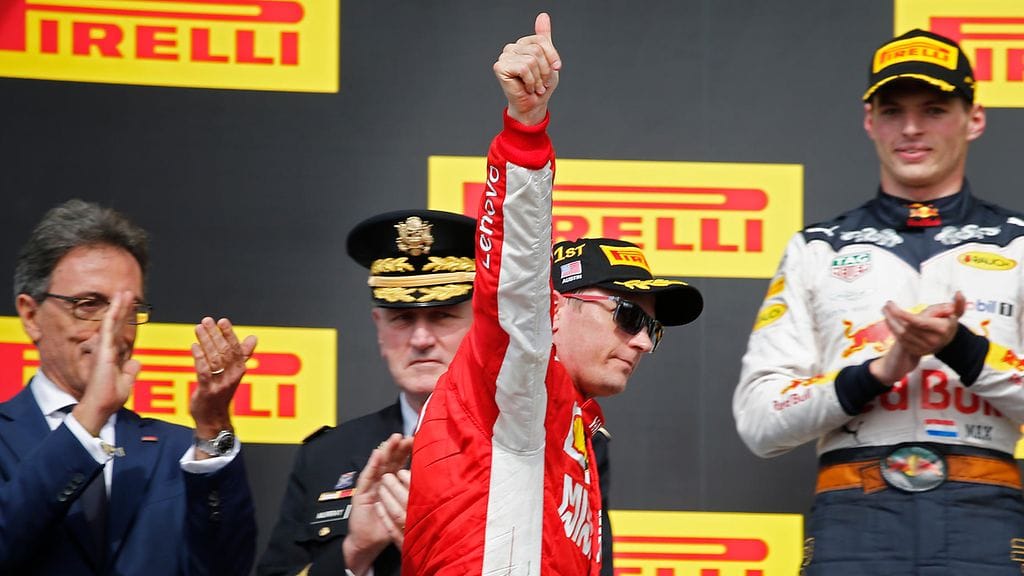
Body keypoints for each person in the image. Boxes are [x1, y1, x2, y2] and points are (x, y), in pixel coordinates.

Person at [402, 13, 704, 575]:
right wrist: (525, 128)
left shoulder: (581, 433)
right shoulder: (518, 386)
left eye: (653, 328)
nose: (644, 343)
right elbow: (516, 275)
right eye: (627, 315)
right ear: (555, 309)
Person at [734, 28, 1024, 575]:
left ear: (975, 118)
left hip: (983, 517)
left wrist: (963, 349)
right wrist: (876, 373)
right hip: (854, 514)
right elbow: (759, 420)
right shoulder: (818, 249)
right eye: (893, 111)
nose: (911, 128)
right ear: (870, 121)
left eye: (934, 109)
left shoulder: (1018, 244)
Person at [0, 199, 257, 575]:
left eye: (129, 311)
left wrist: (214, 425)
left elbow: (227, 568)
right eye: (89, 305)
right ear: (30, 315)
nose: (114, 330)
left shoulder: (179, 451)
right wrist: (88, 416)